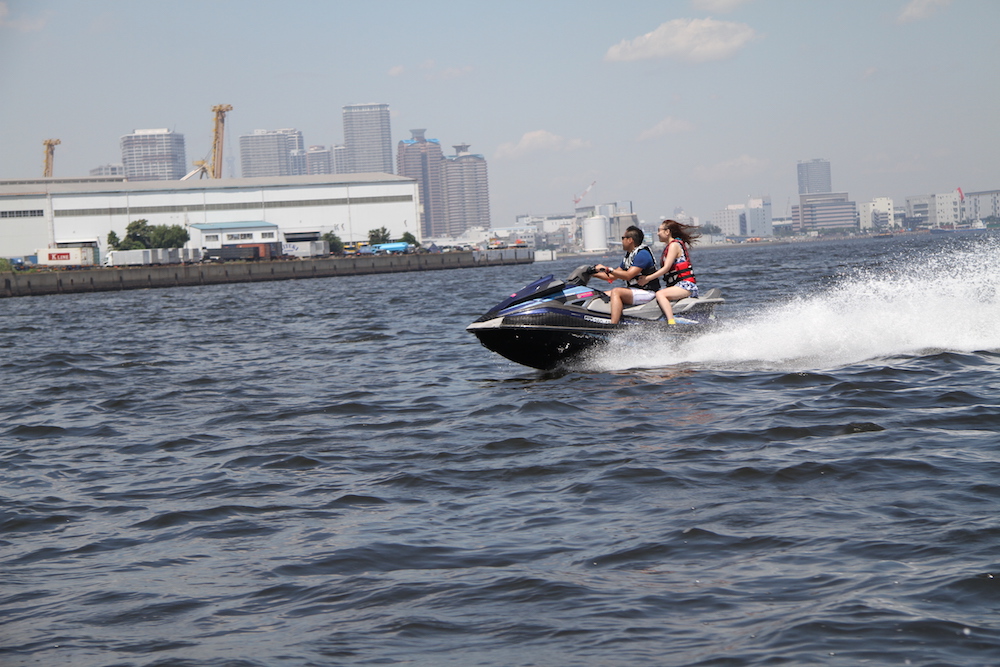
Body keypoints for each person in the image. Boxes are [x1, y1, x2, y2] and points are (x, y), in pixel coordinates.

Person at [636, 219, 700, 325]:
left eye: (659, 230)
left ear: (667, 232)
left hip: (686, 286)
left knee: (660, 294)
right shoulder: (670, 246)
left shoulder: (674, 245)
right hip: (677, 285)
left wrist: (647, 279)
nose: (657, 233)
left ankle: (671, 323)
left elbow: (666, 268)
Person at [593, 225, 661, 324]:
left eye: (623, 238)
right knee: (601, 294)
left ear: (630, 240)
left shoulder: (642, 254)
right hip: (635, 291)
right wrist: (592, 273)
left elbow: (628, 275)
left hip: (648, 292)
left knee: (616, 291)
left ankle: (613, 326)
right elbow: (612, 277)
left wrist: (608, 269)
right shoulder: (629, 256)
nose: (622, 241)